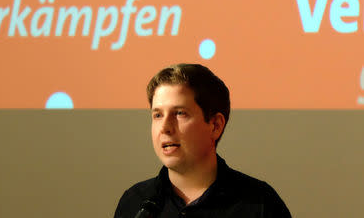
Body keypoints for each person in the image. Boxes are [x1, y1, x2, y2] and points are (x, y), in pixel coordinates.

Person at [114, 63, 291, 218]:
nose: (165, 127)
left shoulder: (260, 204)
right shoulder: (135, 203)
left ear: (215, 126)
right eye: (158, 115)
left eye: (180, 113)